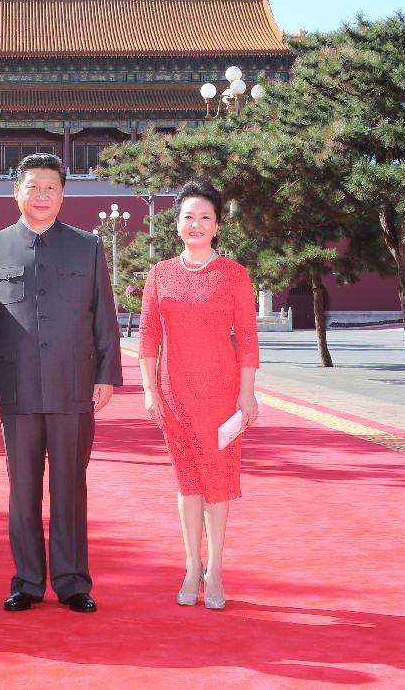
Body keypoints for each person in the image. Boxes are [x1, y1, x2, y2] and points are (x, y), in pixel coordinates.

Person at [0, 153, 122, 614]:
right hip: (16, 390)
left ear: (63, 195)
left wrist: (105, 373)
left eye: (51, 188)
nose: (41, 196)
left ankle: (73, 581)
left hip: (73, 386)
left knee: (69, 487)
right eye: (33, 187)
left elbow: (103, 314)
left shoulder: (86, 247)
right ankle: (28, 581)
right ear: (15, 192)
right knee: (23, 491)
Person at [137, 180, 259, 611]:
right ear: (176, 224)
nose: (196, 224)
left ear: (217, 225)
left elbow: (246, 339)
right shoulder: (160, 274)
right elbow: (148, 338)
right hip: (174, 395)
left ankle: (218, 569)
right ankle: (191, 566)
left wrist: (248, 396)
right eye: (188, 216)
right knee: (189, 483)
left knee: (218, 484)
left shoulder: (234, 275)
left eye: (205, 216)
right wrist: (150, 391)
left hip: (222, 395)